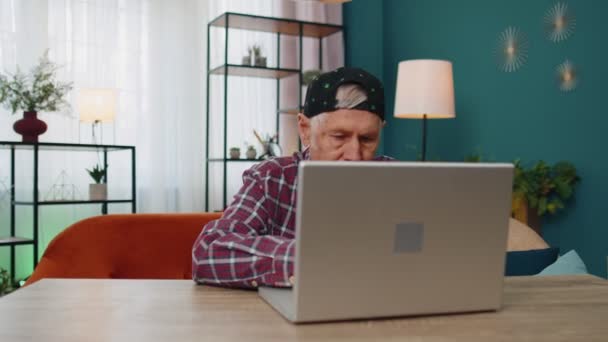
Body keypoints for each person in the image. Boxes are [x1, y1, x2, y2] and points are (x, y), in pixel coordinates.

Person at [192, 67, 393, 288]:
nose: (355, 155)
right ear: (305, 129)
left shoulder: (399, 181)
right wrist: (313, 258)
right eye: (339, 136)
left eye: (367, 139)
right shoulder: (272, 178)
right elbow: (209, 253)